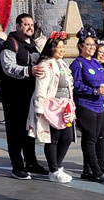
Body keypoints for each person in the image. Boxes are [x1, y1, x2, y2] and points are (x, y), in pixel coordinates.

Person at [0, 14, 48, 180]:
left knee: (29, 129)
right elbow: (8, 67)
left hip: (29, 94)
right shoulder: (10, 44)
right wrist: (28, 71)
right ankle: (17, 165)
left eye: (31, 25)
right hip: (13, 95)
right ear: (18, 26)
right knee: (15, 131)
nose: (29, 28)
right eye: (26, 24)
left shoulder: (32, 43)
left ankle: (31, 162)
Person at [27, 36, 75, 183]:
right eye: (58, 47)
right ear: (51, 48)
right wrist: (39, 108)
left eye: (63, 47)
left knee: (67, 137)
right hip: (51, 107)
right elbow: (41, 87)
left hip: (64, 106)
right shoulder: (46, 64)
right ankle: (53, 170)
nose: (62, 50)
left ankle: (57, 166)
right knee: (53, 138)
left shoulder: (61, 63)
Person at [70, 31, 104, 183]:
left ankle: (87, 170)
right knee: (90, 138)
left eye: (93, 45)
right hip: (85, 105)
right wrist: (93, 91)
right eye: (88, 44)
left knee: (95, 138)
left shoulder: (96, 63)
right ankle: (96, 172)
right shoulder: (78, 63)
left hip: (99, 106)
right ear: (81, 46)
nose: (91, 47)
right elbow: (75, 85)